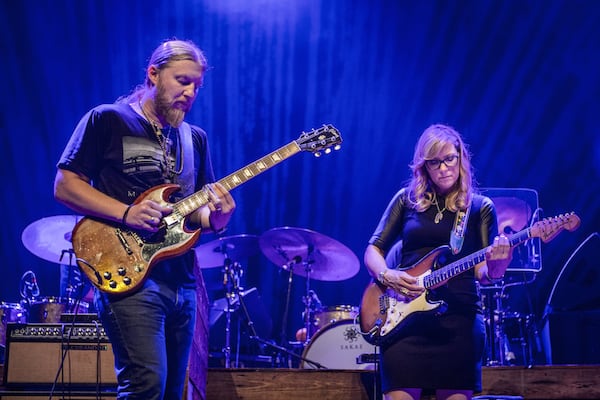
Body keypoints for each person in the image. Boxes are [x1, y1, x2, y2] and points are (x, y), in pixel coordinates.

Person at [54, 39, 235, 400]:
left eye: (197, 86)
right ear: (153, 74)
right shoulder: (108, 118)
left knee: (170, 392)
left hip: (182, 283)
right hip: (130, 275)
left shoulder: (193, 138)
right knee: (145, 386)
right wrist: (127, 213)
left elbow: (193, 211)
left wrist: (219, 217)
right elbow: (65, 186)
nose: (190, 92)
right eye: (182, 80)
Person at [363, 124, 513, 400]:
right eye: (434, 162)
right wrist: (387, 275)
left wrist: (498, 266)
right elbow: (373, 250)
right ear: (424, 166)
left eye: (449, 159)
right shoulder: (406, 201)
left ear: (461, 158)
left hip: (458, 323)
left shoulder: (480, 207)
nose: (443, 168)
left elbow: (484, 273)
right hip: (404, 320)